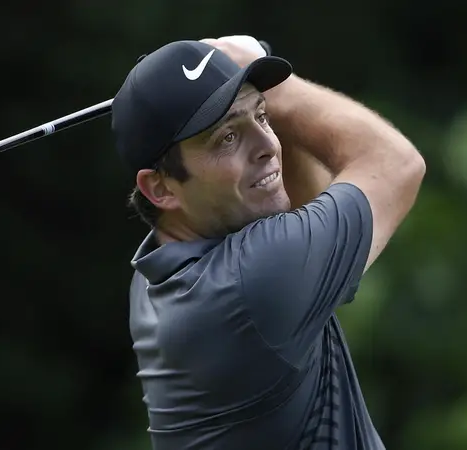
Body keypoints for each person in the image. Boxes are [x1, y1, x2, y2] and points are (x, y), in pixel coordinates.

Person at [110, 35, 425, 450]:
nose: (268, 145)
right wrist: (280, 89)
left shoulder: (156, 275)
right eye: (226, 137)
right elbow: (396, 164)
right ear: (161, 188)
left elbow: (306, 208)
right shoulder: (248, 285)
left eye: (262, 116)